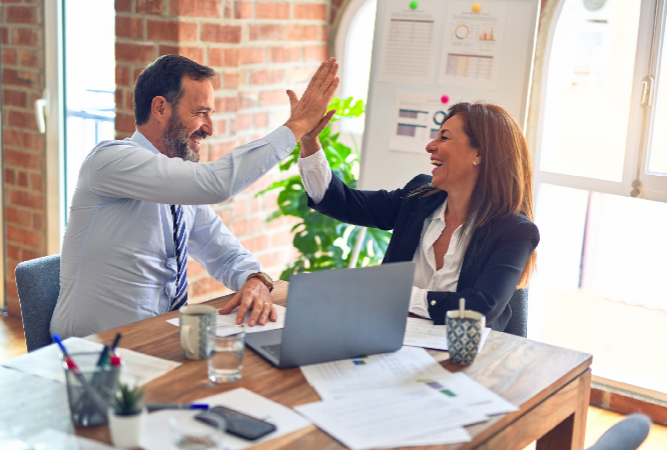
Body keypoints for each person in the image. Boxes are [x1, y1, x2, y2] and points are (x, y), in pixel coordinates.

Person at [50, 55, 339, 338]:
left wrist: (255, 279)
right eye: (201, 112)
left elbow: (223, 252)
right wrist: (297, 125)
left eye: (210, 114)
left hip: (156, 341)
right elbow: (217, 184)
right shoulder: (111, 161)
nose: (209, 128)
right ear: (161, 108)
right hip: (91, 353)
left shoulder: (179, 187)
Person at [297, 102, 539, 331]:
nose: (430, 146)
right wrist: (309, 141)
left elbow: (479, 309)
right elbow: (342, 202)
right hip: (391, 341)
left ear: (479, 154)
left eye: (444, 137)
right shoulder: (418, 198)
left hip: (466, 358)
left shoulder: (515, 231)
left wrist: (395, 294)